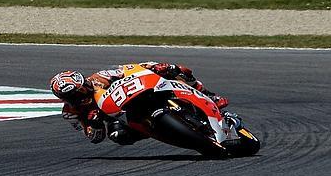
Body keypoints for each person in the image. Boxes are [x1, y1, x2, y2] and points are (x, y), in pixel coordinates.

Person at [49, 62, 230, 145]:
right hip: (124, 119)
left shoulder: (100, 78)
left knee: (178, 70)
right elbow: (94, 138)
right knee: (118, 135)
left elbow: (129, 69)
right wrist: (94, 123)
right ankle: (162, 132)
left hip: (137, 93)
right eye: (74, 95)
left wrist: (155, 67)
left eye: (82, 88)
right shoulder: (71, 112)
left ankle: (208, 95)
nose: (81, 94)